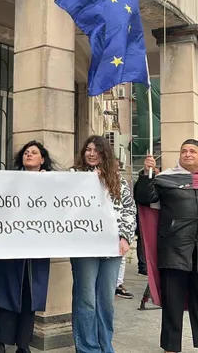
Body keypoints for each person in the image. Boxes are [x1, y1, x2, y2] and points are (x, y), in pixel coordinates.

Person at [134, 139, 198, 353]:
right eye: (184, 151)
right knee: (173, 303)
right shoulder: (165, 179)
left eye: (193, 151)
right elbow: (144, 197)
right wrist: (146, 174)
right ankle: (171, 346)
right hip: (174, 250)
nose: (188, 154)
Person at [0, 141, 52, 353]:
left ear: (42, 159)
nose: (29, 155)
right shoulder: (7, 180)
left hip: (35, 252)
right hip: (8, 250)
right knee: (4, 294)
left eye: (34, 152)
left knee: (29, 296)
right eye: (26, 152)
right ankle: (0, 342)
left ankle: (23, 343)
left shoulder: (52, 182)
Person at [70, 135, 136, 353]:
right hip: (84, 247)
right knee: (86, 298)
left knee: (106, 300)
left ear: (104, 154)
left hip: (112, 249)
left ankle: (105, 345)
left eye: (96, 150)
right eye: (88, 149)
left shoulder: (119, 180)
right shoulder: (74, 176)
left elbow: (129, 211)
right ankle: (88, 348)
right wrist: (89, 184)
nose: (91, 153)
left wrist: (125, 237)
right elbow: (63, 204)